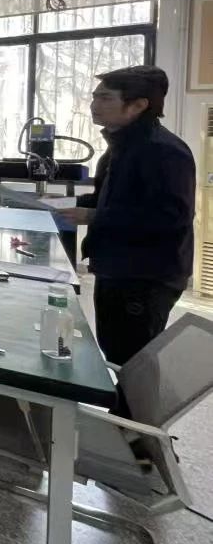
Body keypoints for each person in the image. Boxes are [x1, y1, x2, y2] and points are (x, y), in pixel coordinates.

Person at [56, 66, 195, 368]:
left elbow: (170, 217)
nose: (94, 105)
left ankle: (134, 403)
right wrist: (61, 203)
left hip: (145, 275)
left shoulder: (162, 150)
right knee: (116, 351)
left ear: (138, 105)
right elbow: (107, 199)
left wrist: (95, 216)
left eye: (105, 98)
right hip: (116, 267)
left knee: (133, 361)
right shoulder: (119, 148)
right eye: (94, 97)